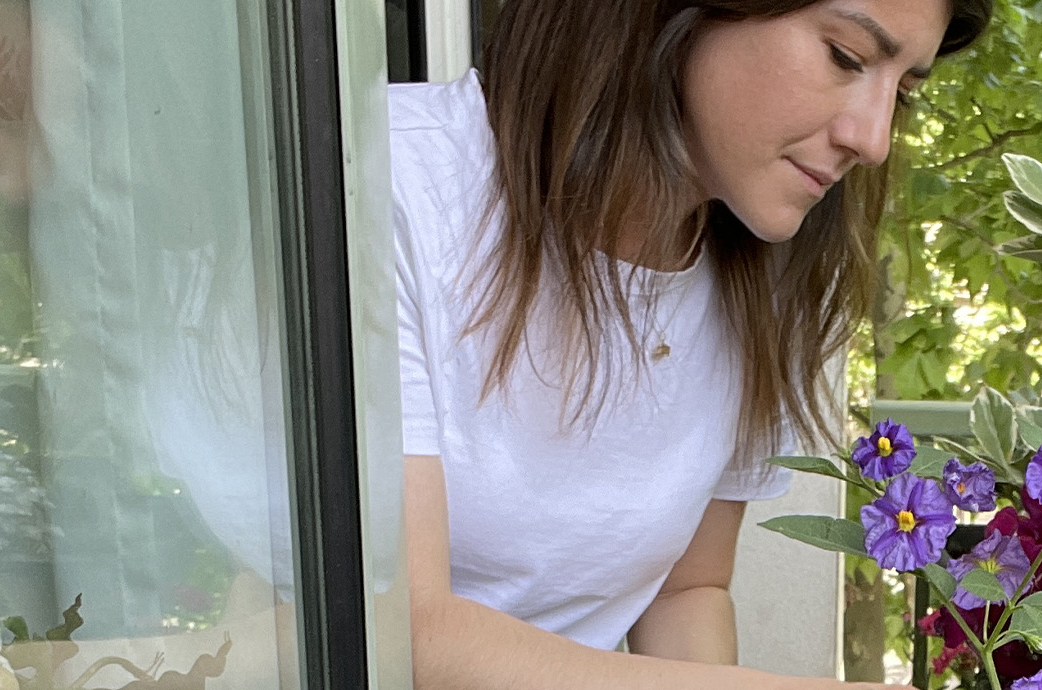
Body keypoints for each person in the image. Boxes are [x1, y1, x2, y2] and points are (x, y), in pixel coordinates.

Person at [391, 1, 992, 688]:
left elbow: (685, 592)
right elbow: (401, 631)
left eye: (904, 93)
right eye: (845, 57)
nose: (874, 139)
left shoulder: (760, 280)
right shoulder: (389, 181)